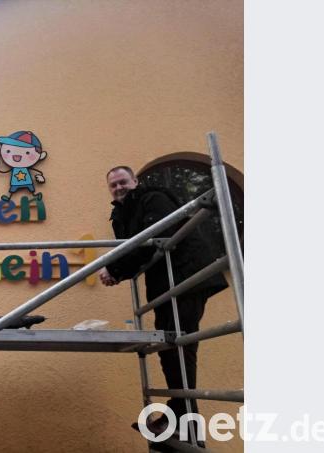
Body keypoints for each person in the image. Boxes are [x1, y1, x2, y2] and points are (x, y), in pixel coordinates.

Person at [97, 166, 228, 439]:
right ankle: (178, 417)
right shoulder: (122, 214)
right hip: (166, 283)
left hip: (185, 277)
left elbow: (152, 238)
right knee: (170, 346)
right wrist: (118, 270)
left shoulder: (153, 198)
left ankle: (184, 421)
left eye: (123, 182)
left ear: (135, 181)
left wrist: (115, 270)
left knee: (179, 346)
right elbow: (132, 250)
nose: (119, 188)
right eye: (113, 185)